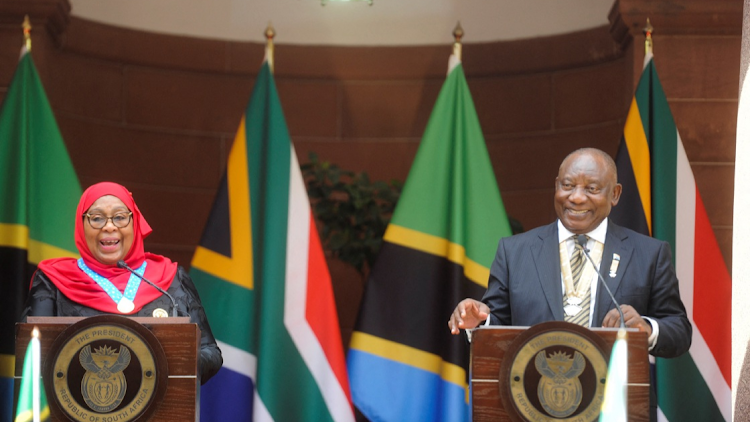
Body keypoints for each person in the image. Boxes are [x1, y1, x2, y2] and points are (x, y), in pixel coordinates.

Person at [448, 148, 691, 359]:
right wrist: (479, 321)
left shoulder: (649, 254)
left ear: (614, 194)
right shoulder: (514, 252)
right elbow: (497, 325)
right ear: (556, 186)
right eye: (567, 186)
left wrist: (646, 328)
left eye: (592, 188)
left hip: (616, 406)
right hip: (532, 400)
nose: (576, 197)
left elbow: (679, 331)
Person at [22, 182, 222, 383]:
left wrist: (174, 366)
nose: (109, 226)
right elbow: (31, 353)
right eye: (97, 218)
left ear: (134, 223)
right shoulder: (53, 280)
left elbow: (210, 351)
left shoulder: (170, 278)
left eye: (119, 217)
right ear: (81, 225)